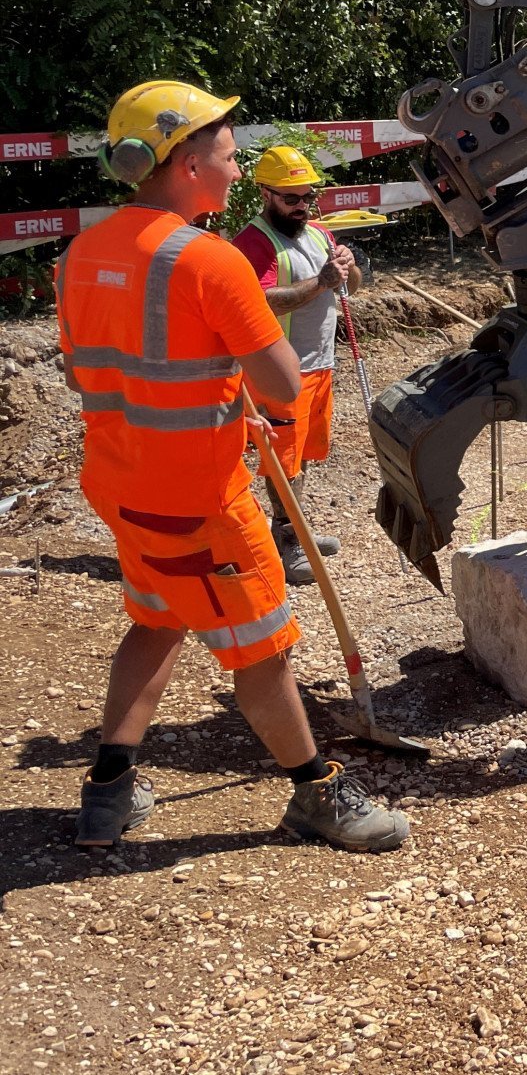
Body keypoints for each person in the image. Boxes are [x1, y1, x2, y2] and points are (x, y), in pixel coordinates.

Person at [56, 81, 408, 852]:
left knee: (155, 621)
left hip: (123, 487)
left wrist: (212, 388)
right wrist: (233, 388)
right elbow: (282, 385)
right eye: (225, 149)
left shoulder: (83, 252)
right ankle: (317, 790)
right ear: (184, 161)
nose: (233, 163)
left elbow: (103, 370)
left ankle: (108, 793)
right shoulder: (211, 261)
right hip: (201, 502)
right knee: (264, 650)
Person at [230, 146, 360, 584]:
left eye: (307, 197)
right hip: (279, 369)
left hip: (319, 363)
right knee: (283, 460)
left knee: (304, 454)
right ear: (266, 194)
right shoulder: (252, 242)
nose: (302, 205)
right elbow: (259, 300)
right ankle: (289, 546)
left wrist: (348, 268)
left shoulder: (320, 233)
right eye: (292, 198)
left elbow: (350, 287)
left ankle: (295, 534)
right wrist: (321, 282)